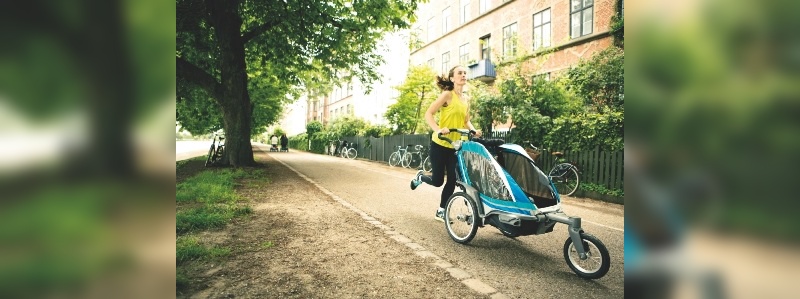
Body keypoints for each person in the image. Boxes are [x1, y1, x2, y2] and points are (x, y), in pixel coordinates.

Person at [409, 65, 481, 222]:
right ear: (452, 78)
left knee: (452, 180)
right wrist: (438, 129)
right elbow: (429, 113)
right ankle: (421, 177)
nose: (463, 75)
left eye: (464, 73)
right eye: (459, 73)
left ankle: (441, 210)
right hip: (440, 144)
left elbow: (466, 121)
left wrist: (474, 130)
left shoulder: (466, 99)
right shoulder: (447, 95)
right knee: (437, 181)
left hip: (455, 147)